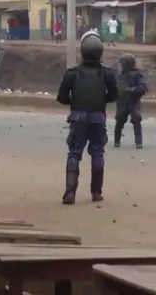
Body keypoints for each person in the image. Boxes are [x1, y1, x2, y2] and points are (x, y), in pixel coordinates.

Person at [56, 31, 117, 205]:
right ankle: (96, 193)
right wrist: (100, 100)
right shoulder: (107, 73)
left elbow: (61, 97)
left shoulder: (72, 73)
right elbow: (113, 95)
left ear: (82, 51)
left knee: (74, 153)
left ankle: (70, 193)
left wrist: (74, 102)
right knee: (98, 152)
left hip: (78, 117)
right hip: (98, 117)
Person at [113, 53, 147, 149]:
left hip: (133, 101)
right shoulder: (119, 75)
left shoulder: (137, 74)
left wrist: (130, 90)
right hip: (122, 101)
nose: (121, 65)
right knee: (119, 120)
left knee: (136, 119)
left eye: (123, 63)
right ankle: (117, 141)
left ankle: (138, 142)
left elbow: (142, 87)